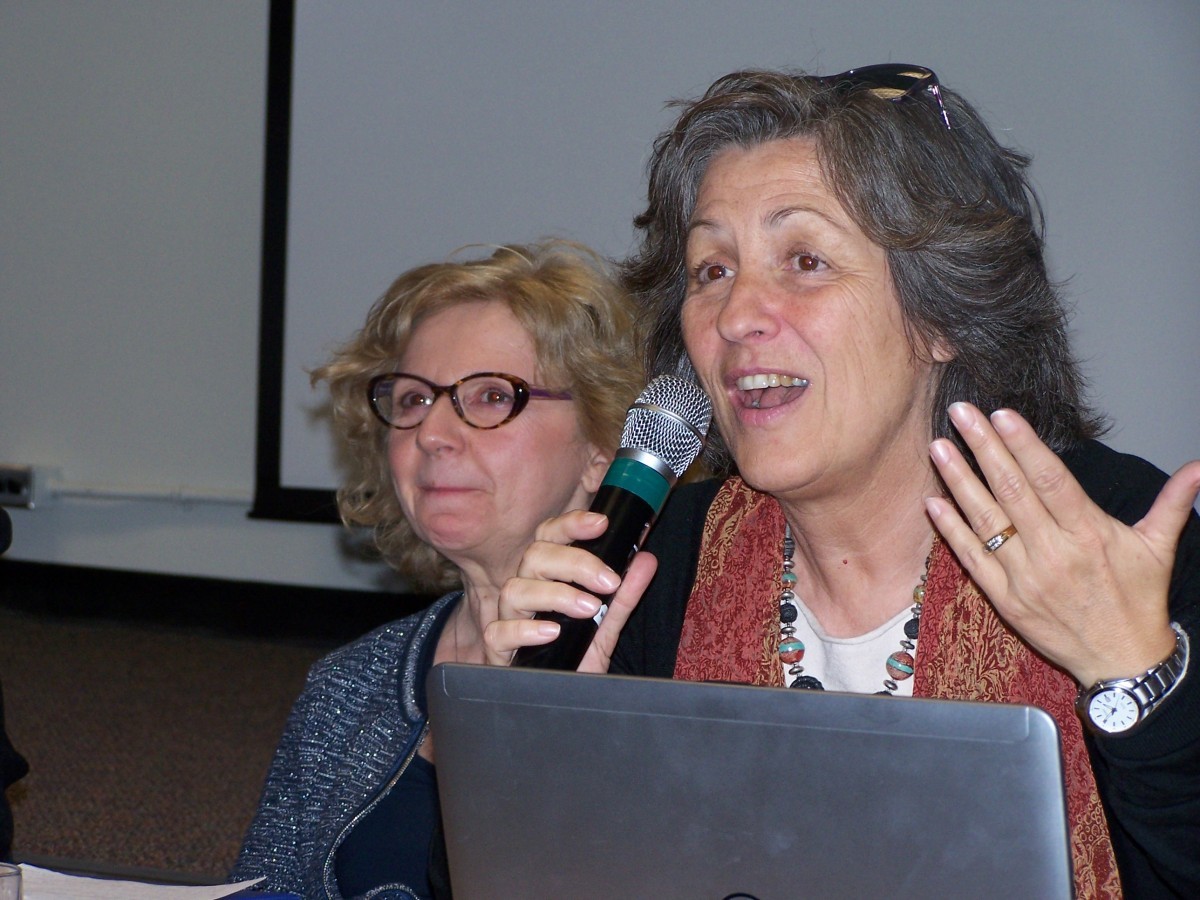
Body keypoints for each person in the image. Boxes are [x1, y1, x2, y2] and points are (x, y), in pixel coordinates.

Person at [488, 68, 1200, 898]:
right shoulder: (662, 561)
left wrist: (1138, 681)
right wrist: (530, 746)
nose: (736, 314)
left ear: (940, 315)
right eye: (711, 269)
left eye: (804, 260)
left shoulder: (1119, 537)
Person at [231, 240, 643, 899]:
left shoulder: (667, 674)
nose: (431, 434)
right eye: (414, 400)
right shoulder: (348, 686)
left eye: (488, 397)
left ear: (600, 446)